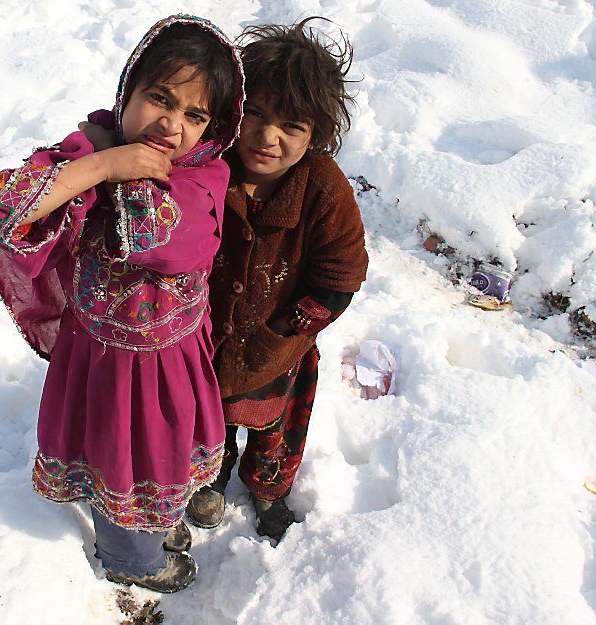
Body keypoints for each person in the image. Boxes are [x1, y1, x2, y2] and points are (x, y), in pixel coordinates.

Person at [0, 15, 244, 592]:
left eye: (194, 115)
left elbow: (166, 242)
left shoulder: (203, 175)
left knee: (164, 453)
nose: (170, 124)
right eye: (158, 98)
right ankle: (130, 558)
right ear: (127, 93)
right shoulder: (94, 151)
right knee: (123, 462)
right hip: (108, 365)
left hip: (172, 360)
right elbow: (3, 209)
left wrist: (107, 179)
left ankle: (154, 526)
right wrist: (101, 167)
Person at [185, 17, 369, 542]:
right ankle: (210, 478)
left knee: (275, 431)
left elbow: (342, 271)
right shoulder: (206, 166)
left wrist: (289, 329)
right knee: (207, 422)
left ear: (316, 134)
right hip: (202, 342)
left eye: (292, 125)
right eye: (255, 114)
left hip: (277, 349)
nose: (267, 137)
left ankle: (267, 490)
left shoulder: (323, 187)